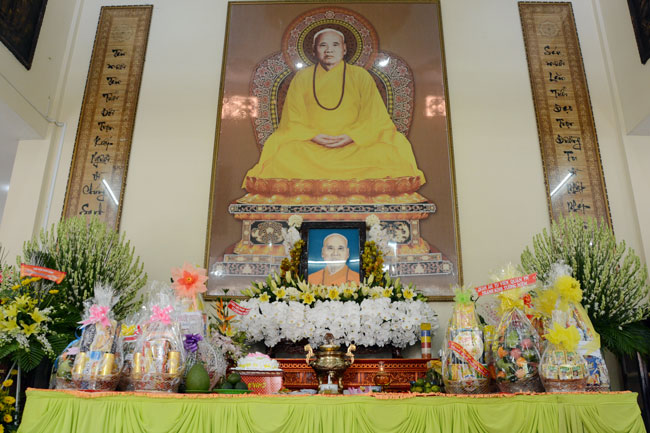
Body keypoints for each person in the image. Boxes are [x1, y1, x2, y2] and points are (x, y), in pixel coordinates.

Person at [242, 28, 425, 197]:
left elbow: (374, 118)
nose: (329, 50)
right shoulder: (302, 77)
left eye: (335, 45)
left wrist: (352, 136)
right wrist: (313, 136)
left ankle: (313, 184)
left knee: (387, 152)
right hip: (311, 147)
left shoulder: (360, 76)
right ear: (314, 51)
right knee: (284, 154)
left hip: (355, 146)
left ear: (344, 49)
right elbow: (293, 120)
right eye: (323, 45)